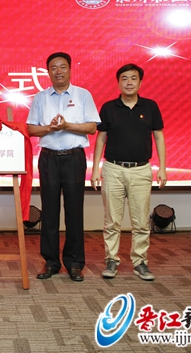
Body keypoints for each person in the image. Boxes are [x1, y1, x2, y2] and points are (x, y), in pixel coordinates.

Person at [26, 52, 100, 282]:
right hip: (48, 159)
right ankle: (51, 262)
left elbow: (91, 128)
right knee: (49, 212)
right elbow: (31, 129)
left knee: (74, 212)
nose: (58, 71)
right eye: (53, 68)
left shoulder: (83, 95)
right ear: (48, 72)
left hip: (74, 158)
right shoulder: (40, 98)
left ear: (70, 69)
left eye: (62, 67)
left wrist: (67, 126)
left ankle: (74, 263)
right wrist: (49, 128)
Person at [90, 63, 166, 281]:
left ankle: (140, 262)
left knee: (140, 221)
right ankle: (111, 260)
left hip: (141, 170)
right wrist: (95, 169)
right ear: (118, 83)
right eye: (124, 78)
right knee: (112, 221)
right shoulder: (108, 107)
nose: (129, 82)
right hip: (113, 169)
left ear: (140, 82)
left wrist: (162, 167)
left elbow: (159, 136)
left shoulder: (150, 106)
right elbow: (101, 139)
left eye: (133, 78)